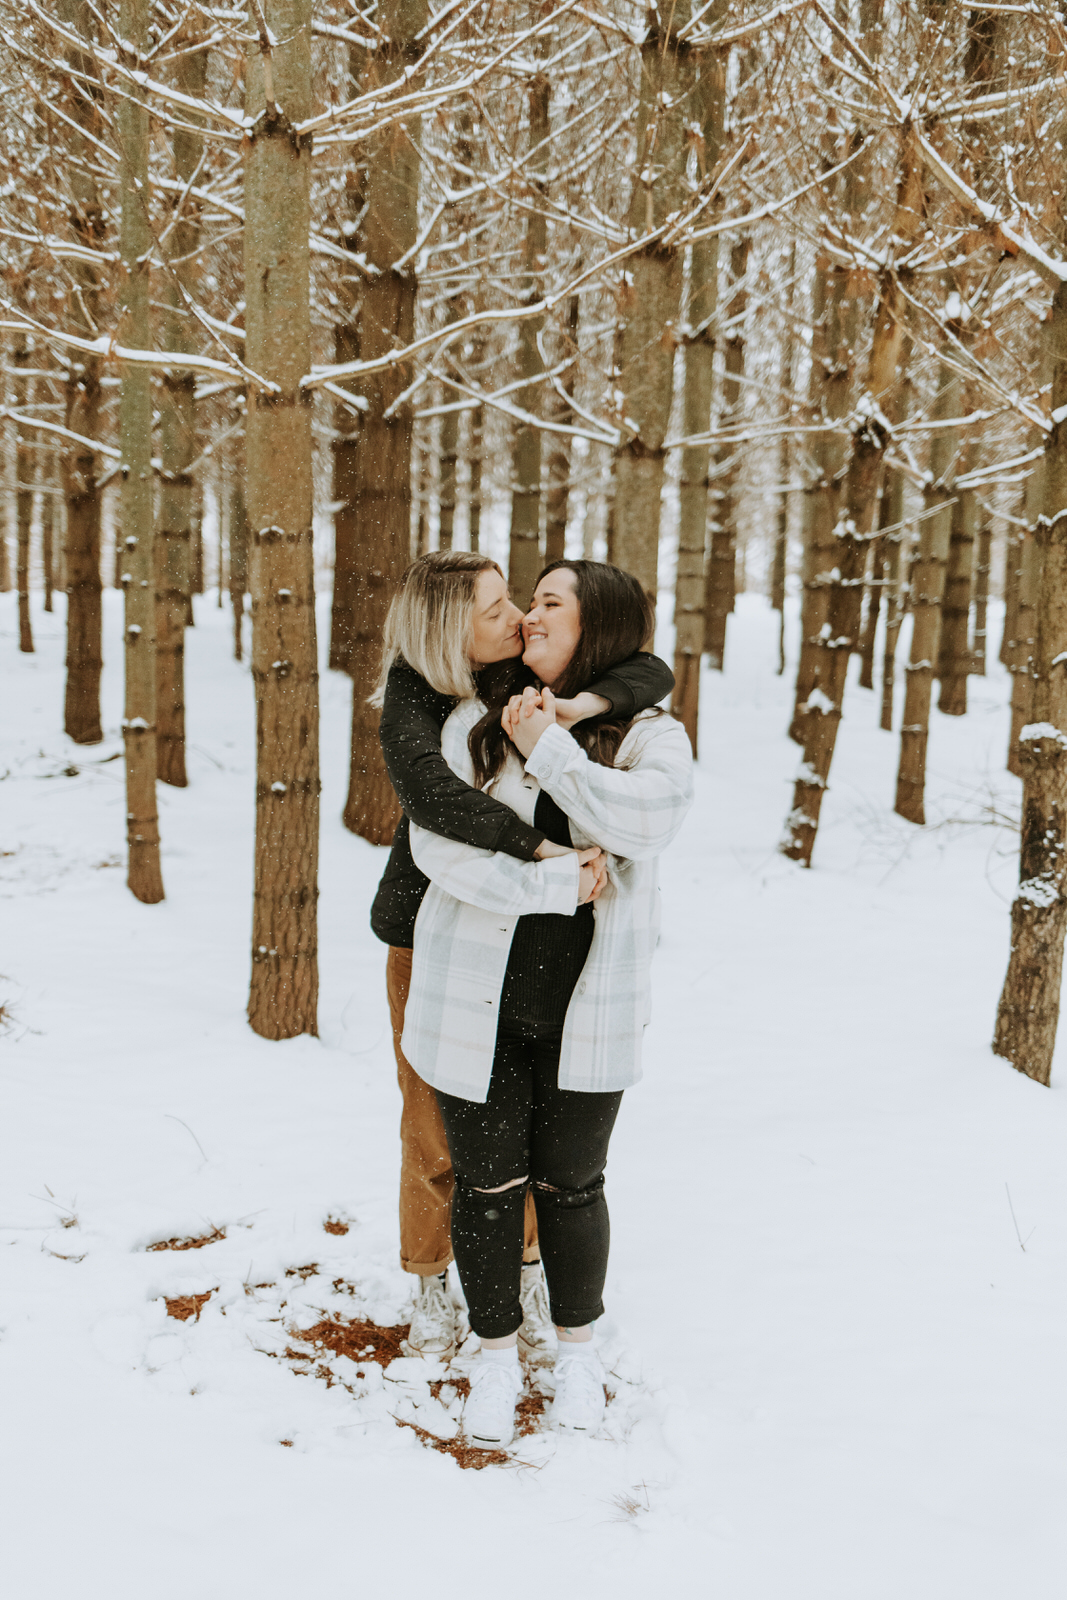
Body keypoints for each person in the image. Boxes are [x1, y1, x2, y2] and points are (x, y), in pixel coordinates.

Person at [400, 560, 693, 1447]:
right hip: (472, 1005)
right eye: (526, 599)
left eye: (549, 603)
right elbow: (438, 849)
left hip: (586, 1012)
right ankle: (493, 1357)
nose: (527, 614)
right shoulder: (472, 721)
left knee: (571, 1187)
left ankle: (574, 1356)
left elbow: (647, 823)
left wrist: (553, 744)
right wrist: (555, 883)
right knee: (487, 1188)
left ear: (594, 626)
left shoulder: (650, 736)